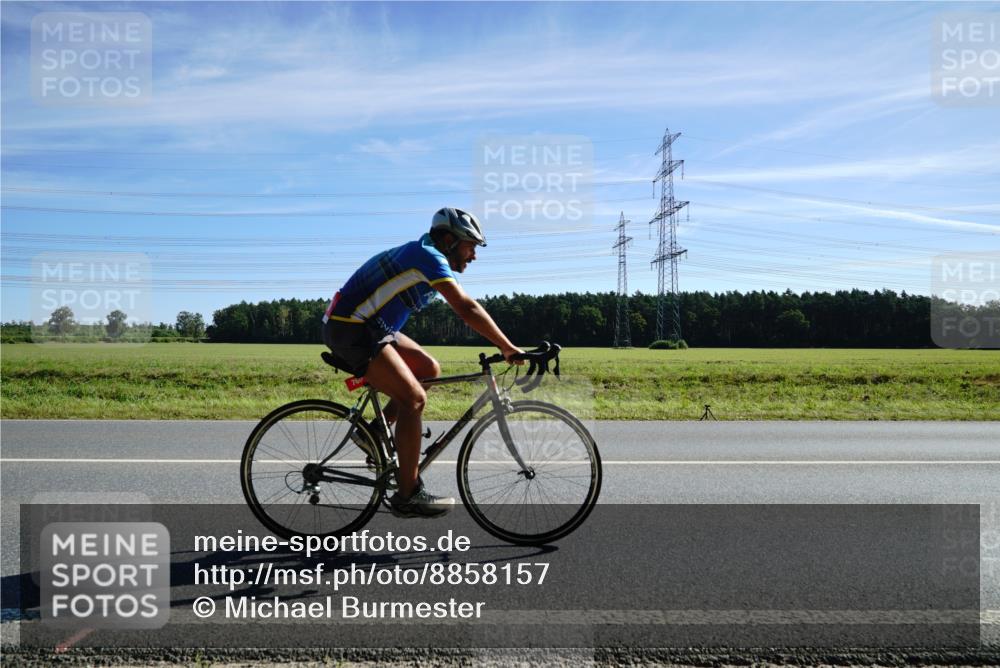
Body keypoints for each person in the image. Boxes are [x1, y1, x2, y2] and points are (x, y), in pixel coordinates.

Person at [322, 207, 524, 518]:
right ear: (449, 240)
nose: (473, 256)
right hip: (351, 328)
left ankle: (372, 433)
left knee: (429, 370)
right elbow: (466, 308)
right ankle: (408, 494)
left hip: (371, 327)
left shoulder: (425, 254)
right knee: (413, 399)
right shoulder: (428, 256)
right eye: (470, 246)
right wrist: (507, 347)